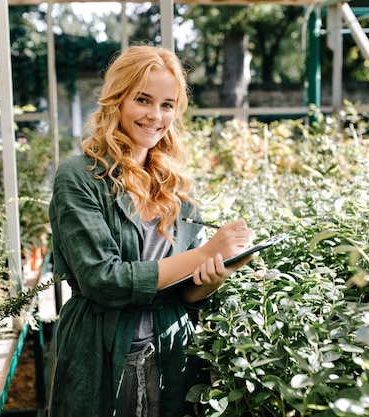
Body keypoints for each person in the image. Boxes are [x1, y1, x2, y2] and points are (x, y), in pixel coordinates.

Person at [47, 44, 254, 417]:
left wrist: (213, 274)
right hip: (101, 352)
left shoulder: (175, 186)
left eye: (167, 104)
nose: (155, 115)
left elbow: (186, 292)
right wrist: (203, 254)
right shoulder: (79, 176)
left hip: (171, 353)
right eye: (143, 99)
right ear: (117, 99)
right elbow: (101, 279)